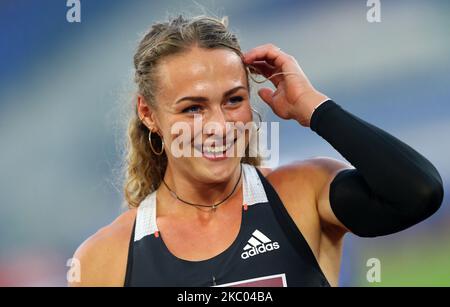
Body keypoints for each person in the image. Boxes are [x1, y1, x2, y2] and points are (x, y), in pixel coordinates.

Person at [69, 15, 444, 287]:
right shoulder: (106, 259)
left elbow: (418, 193)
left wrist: (314, 108)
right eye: (193, 108)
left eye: (233, 100)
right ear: (148, 114)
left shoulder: (302, 196)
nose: (219, 125)